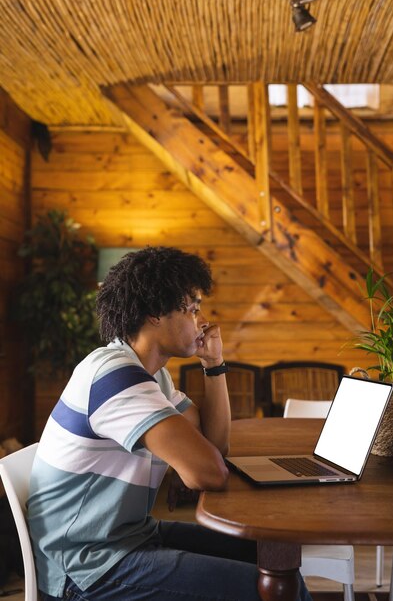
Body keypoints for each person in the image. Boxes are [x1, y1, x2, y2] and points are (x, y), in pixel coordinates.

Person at [28, 246, 312, 601]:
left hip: (128, 537)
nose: (203, 319)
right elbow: (208, 472)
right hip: (85, 564)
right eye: (192, 309)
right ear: (154, 313)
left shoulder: (151, 376)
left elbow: (215, 446)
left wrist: (214, 364)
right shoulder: (115, 377)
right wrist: (200, 462)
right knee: (267, 587)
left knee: (275, 561)